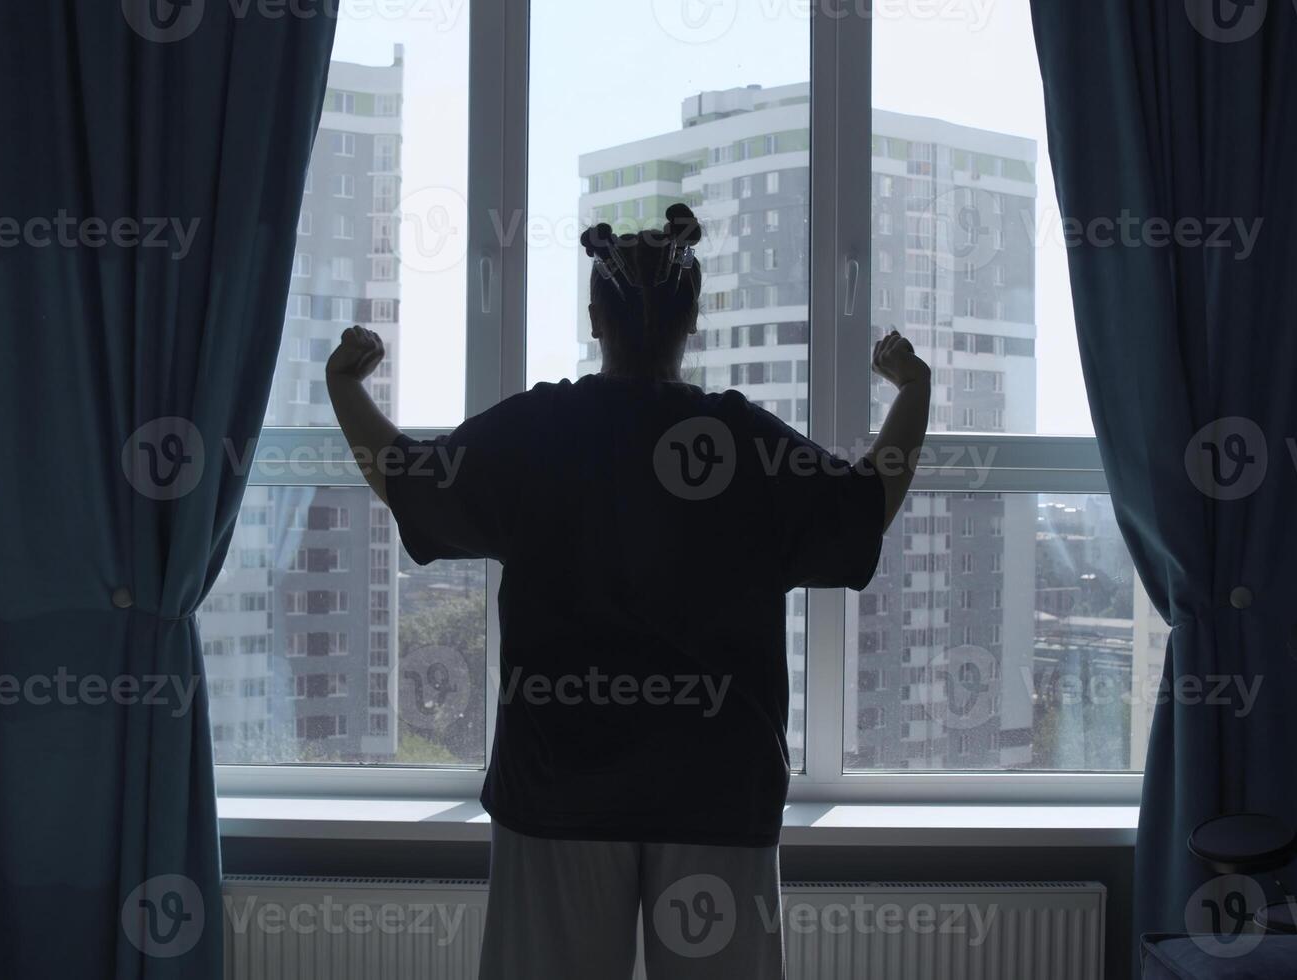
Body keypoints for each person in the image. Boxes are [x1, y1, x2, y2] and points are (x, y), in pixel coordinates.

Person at [326, 203, 932, 979]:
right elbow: (866, 507)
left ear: (593, 319)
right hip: (718, 791)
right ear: (694, 319)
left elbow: (406, 481)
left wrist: (346, 385)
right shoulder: (742, 442)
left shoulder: (538, 432)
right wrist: (912, 388)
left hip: (558, 792)